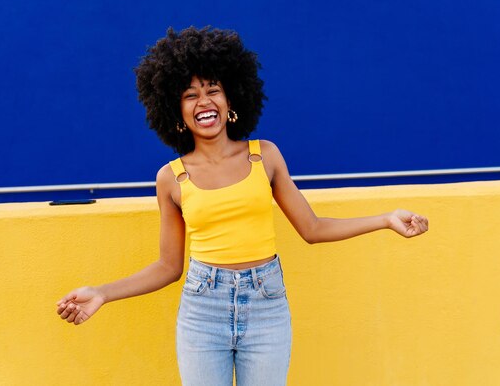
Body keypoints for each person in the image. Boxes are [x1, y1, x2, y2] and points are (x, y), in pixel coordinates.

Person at [56, 26, 429, 386]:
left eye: (212, 90)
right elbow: (168, 267)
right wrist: (103, 292)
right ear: (177, 110)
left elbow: (313, 229)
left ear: (231, 99)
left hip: (267, 306)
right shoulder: (171, 178)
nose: (204, 102)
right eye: (190, 95)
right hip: (203, 311)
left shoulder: (264, 157)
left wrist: (385, 219)